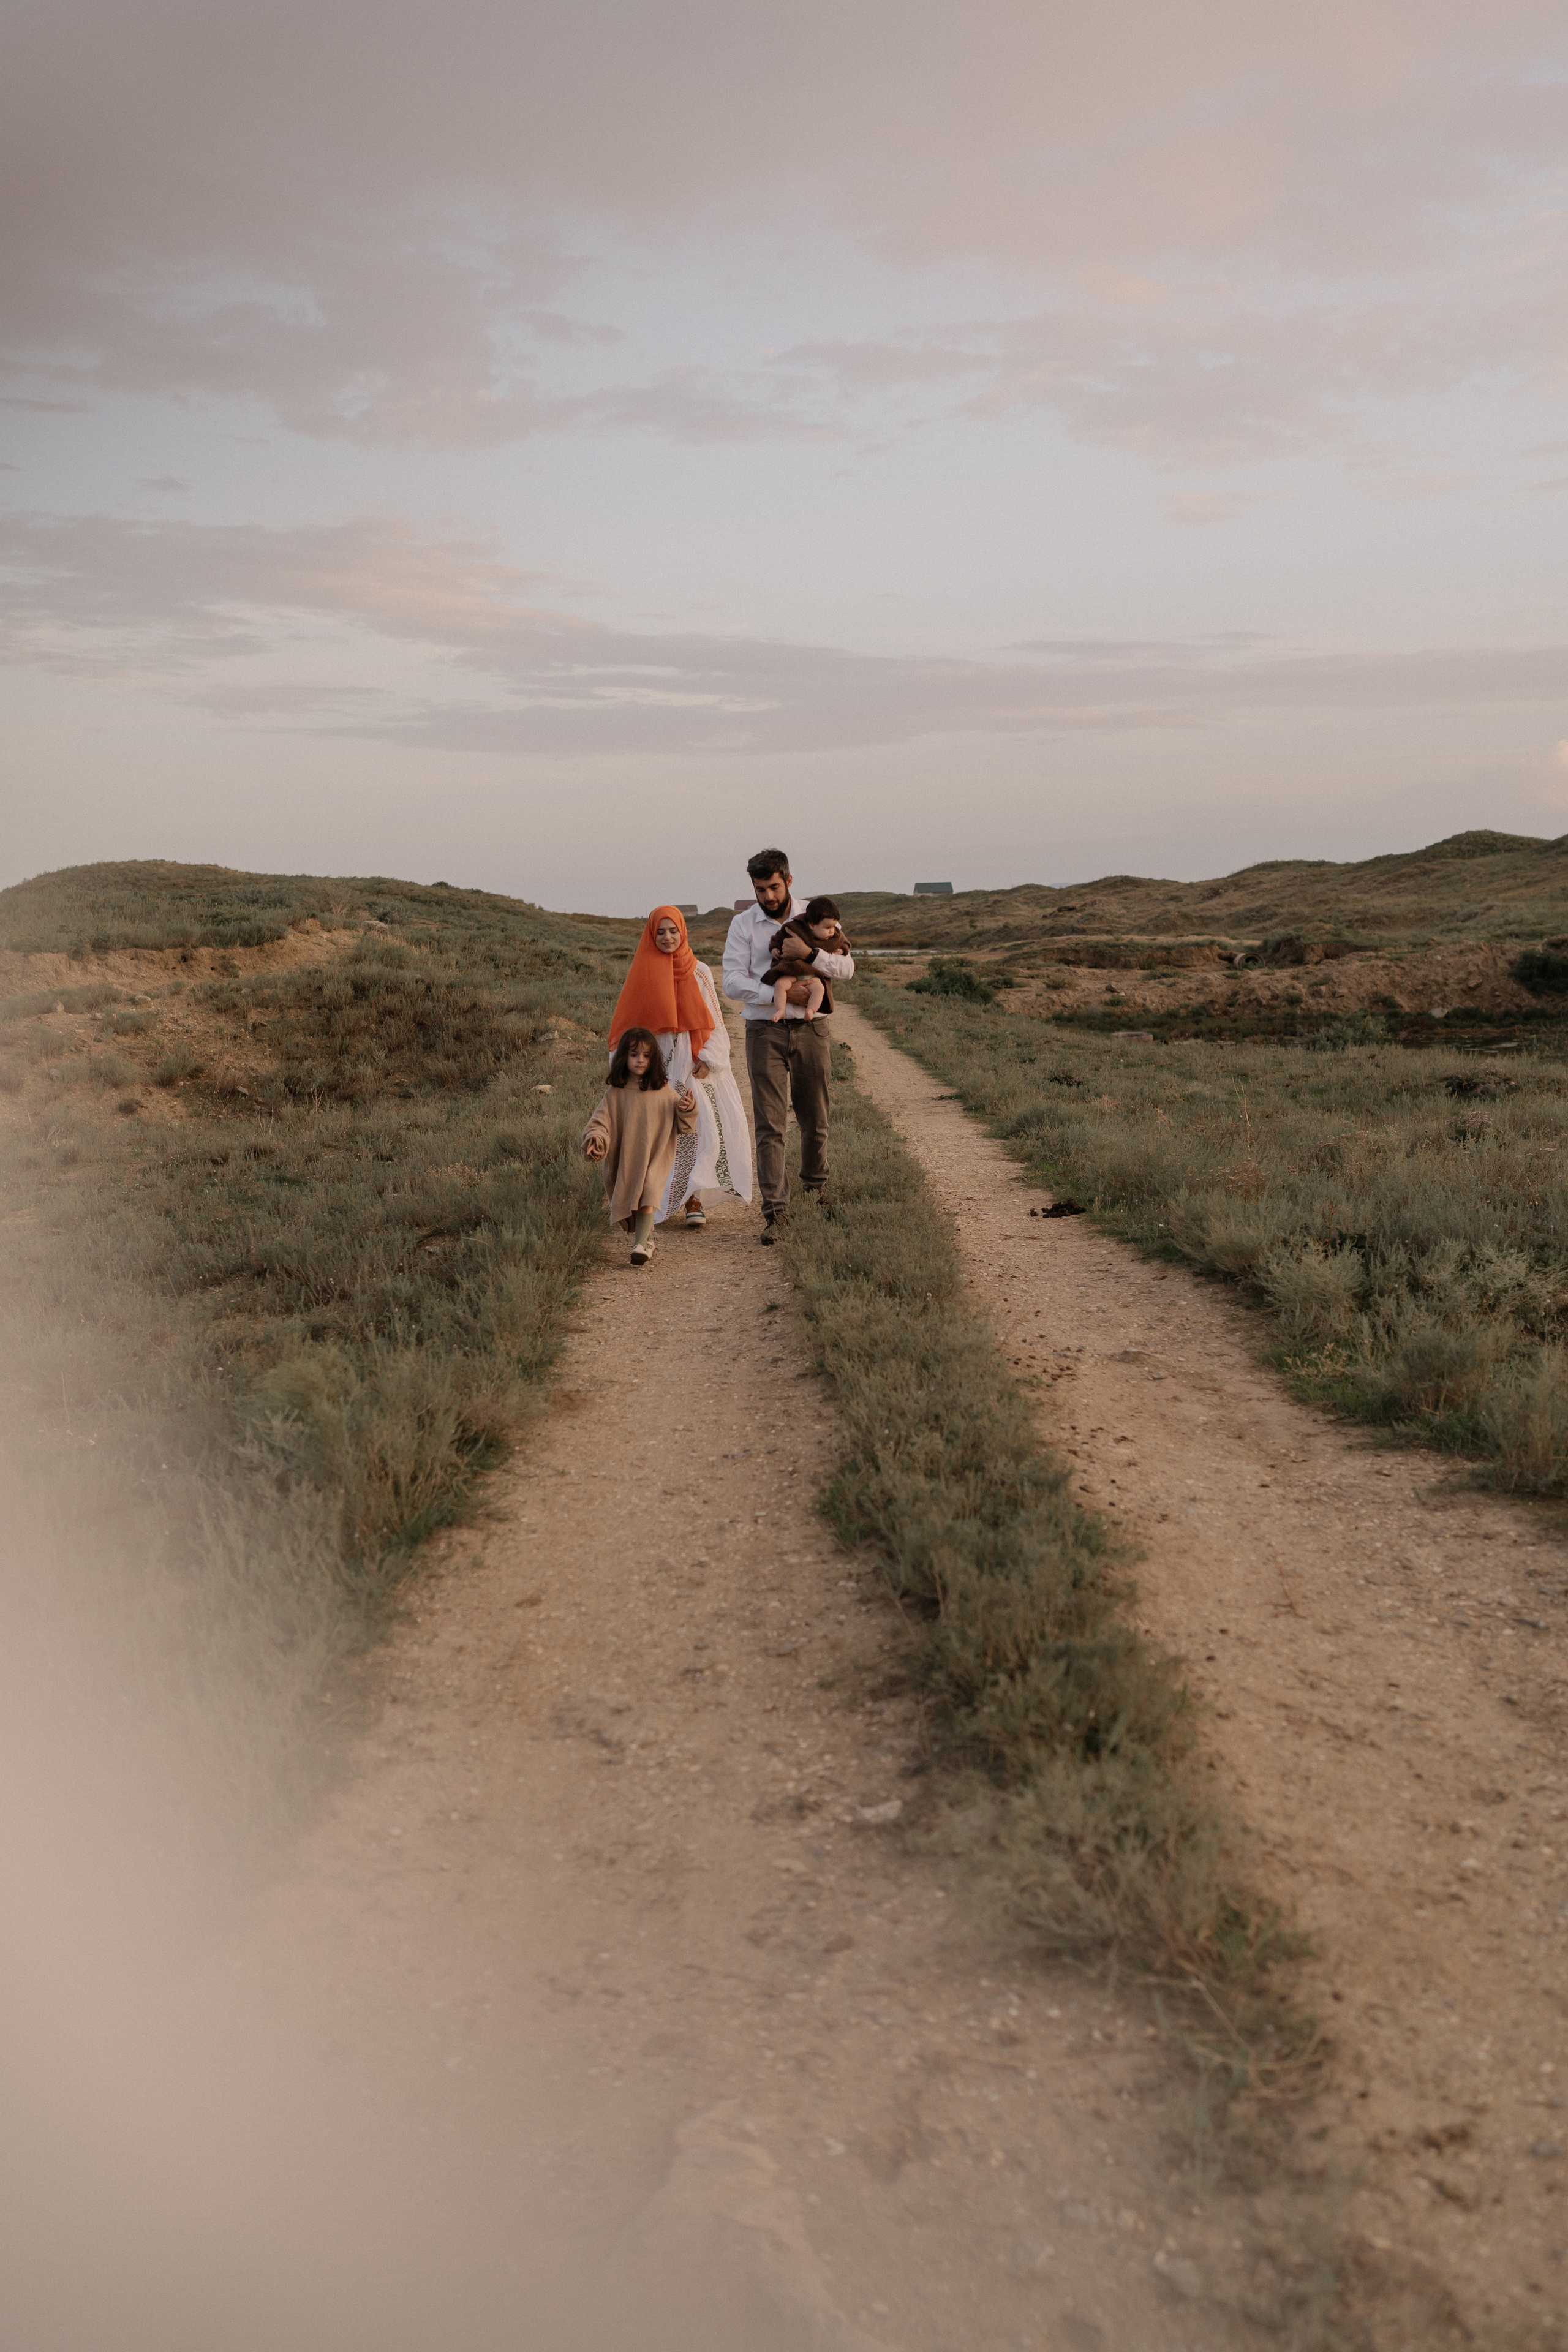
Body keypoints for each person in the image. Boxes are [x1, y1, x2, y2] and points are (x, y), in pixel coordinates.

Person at [722, 848, 855, 1243]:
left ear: (789, 881)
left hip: (814, 1032)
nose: (767, 896)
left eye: (774, 887)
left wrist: (811, 954)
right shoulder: (743, 924)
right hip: (765, 1031)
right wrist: (781, 994)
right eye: (760, 889)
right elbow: (732, 981)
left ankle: (816, 1193)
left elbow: (847, 967)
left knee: (816, 1116)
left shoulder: (817, 914)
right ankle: (776, 1213)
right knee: (770, 1124)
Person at [605, 905, 753, 1227]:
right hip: (655, 1064)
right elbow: (628, 1024)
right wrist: (632, 1067)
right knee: (658, 1132)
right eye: (661, 932)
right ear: (651, 934)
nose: (668, 937)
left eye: (674, 931)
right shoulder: (641, 972)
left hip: (693, 1061)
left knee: (698, 1126)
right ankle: (648, 1200)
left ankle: (692, 1198)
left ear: (683, 932)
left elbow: (715, 1021)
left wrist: (709, 1059)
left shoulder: (700, 971)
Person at [582, 1029, 698, 1267]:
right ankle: (647, 1242)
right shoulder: (616, 1094)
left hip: (656, 1157)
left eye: (646, 1055)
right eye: (634, 1055)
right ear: (624, 1057)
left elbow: (684, 1122)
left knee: (650, 1190)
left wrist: (687, 1107)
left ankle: (639, 1245)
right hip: (628, 1160)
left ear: (654, 1059)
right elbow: (600, 1123)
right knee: (634, 1197)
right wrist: (595, 1140)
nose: (640, 1060)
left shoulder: (663, 1091)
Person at [761, 896, 853, 1023]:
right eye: (827, 928)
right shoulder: (794, 928)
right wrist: (774, 949)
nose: (832, 931)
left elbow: (843, 943)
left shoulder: (834, 935)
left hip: (813, 975)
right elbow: (777, 938)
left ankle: (811, 1010)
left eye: (833, 927)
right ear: (812, 925)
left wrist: (843, 950)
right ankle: (780, 1009)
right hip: (792, 971)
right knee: (781, 985)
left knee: (820, 989)